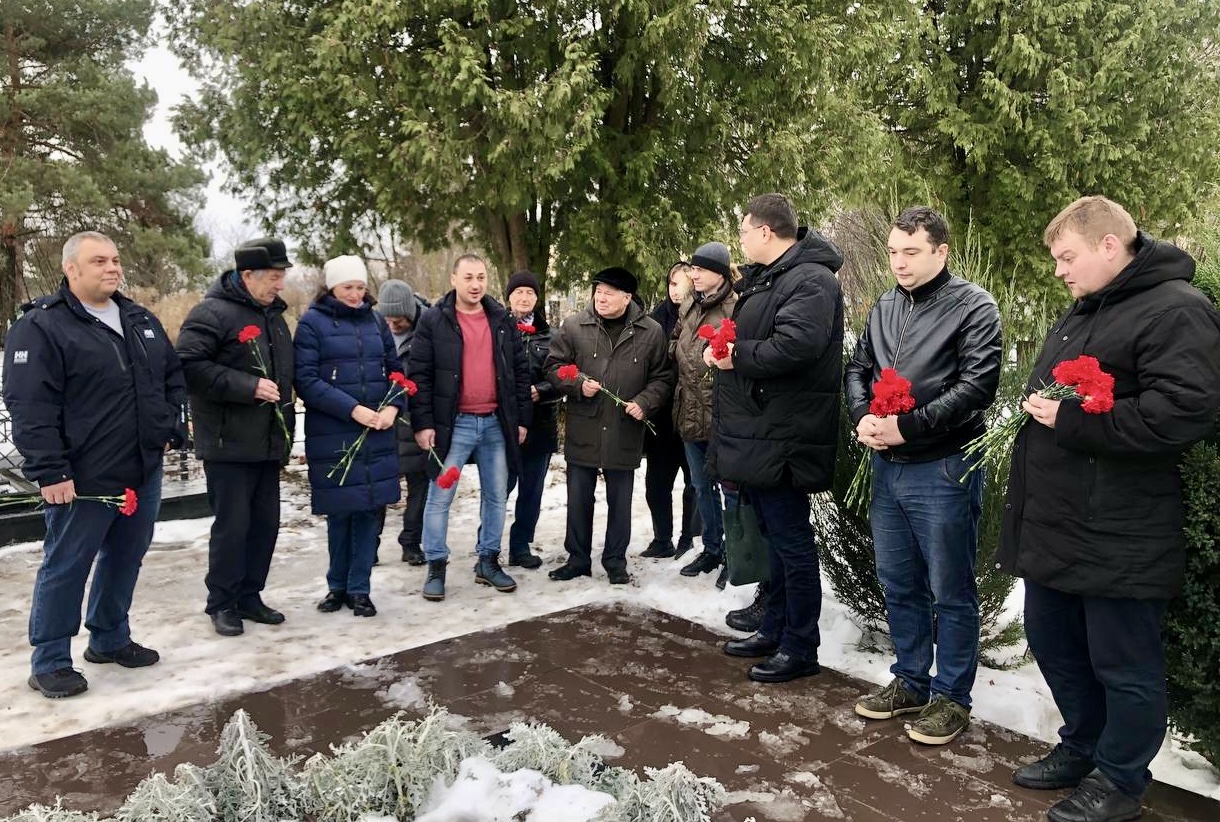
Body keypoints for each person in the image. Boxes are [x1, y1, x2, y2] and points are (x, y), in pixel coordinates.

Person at [999, 197, 1220, 822]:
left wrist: (1072, 421)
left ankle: (1120, 780)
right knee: (1053, 642)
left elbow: (1184, 412)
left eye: (1067, 257)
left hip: (1121, 528)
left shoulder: (1177, 309)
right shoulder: (1086, 309)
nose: (1060, 271)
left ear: (1108, 246)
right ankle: (1084, 745)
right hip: (1059, 523)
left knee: (1124, 666)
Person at [3, 231, 187, 699]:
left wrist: (169, 427)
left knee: (126, 556)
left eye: (115, 260)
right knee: (67, 564)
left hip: (141, 469)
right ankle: (50, 661)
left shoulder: (139, 319)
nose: (112, 268)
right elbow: (30, 404)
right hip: (83, 476)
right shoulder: (43, 326)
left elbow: (171, 376)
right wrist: (50, 470)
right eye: (99, 261)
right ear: (72, 269)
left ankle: (109, 637)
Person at [844, 207, 1002, 745]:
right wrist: (861, 414)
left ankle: (952, 697)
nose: (899, 262)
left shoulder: (973, 306)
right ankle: (910, 681)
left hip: (943, 465)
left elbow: (977, 387)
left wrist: (907, 427)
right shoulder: (885, 304)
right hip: (887, 466)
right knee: (898, 581)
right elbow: (858, 367)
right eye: (893, 251)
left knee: (950, 588)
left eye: (911, 252)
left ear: (941, 251)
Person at [709, 193, 843, 684]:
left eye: (744, 230)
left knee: (792, 543)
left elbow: (797, 344)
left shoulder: (811, 279)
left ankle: (800, 645)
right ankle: (776, 627)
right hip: (762, 431)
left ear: (765, 231)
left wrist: (736, 357)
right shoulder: (772, 277)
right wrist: (726, 348)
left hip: (786, 434)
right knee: (774, 538)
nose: (741, 240)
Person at [176, 237, 297, 637]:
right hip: (228, 443)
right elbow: (188, 366)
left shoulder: (274, 318)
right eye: (274, 277)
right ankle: (222, 602)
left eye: (282, 276)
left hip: (268, 441)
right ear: (247, 275)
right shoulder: (211, 314)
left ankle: (249, 595)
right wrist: (247, 386)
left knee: (265, 525)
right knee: (233, 526)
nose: (280, 284)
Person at [408, 254, 531, 602]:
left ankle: (488, 561)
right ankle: (436, 565)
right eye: (468, 278)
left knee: (496, 496)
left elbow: (519, 372)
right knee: (440, 496)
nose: (475, 285)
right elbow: (420, 375)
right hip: (453, 425)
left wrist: (521, 419)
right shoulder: (434, 320)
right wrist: (423, 424)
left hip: (495, 423)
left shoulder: (501, 319)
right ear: (454, 279)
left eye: (481, 277)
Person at [545, 267, 674, 584]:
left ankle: (615, 562)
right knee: (579, 499)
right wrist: (577, 383)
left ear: (627, 298)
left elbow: (663, 377)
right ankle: (577, 559)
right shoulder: (575, 326)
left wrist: (644, 402)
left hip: (623, 427)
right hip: (584, 426)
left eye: (609, 293)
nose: (600, 298)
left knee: (620, 501)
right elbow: (554, 366)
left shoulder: (651, 332)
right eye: (598, 292)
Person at [294, 255, 403, 618]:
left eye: (360, 287)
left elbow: (396, 371)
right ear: (331, 288)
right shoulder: (312, 323)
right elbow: (306, 380)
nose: (356, 295)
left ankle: (360, 588)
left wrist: (393, 407)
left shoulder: (375, 321)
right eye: (347, 288)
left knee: (369, 511)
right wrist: (352, 409)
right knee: (341, 511)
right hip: (336, 430)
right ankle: (336, 585)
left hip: (376, 429)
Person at [672, 242, 740, 590]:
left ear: (720, 272)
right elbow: (675, 340)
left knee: (730, 490)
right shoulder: (689, 305)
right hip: (689, 410)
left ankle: (734, 555)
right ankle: (712, 548)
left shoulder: (736, 307)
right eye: (693, 269)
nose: (694, 275)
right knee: (701, 487)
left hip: (721, 414)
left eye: (700, 269)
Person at [640, 263, 700, 563]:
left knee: (694, 482)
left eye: (681, 284)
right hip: (662, 415)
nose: (675, 290)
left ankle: (689, 537)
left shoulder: (701, 313)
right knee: (657, 484)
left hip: (693, 413)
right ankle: (662, 538)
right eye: (671, 284)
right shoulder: (655, 320)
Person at [503, 270, 559, 569]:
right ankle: (487, 546)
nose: (524, 298)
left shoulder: (551, 337)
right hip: (504, 424)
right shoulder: (498, 330)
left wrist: (543, 390)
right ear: (508, 297)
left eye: (529, 293)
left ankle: (520, 545)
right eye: (518, 292)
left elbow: (562, 376)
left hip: (540, 424)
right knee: (499, 489)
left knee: (531, 491)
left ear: (537, 299)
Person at [373, 278, 429, 566]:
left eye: (399, 320)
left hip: (415, 418)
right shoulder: (373, 327)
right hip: (380, 419)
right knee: (378, 487)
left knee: (419, 486)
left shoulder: (427, 329)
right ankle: (369, 543)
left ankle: (411, 542)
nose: (393, 325)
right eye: (389, 320)